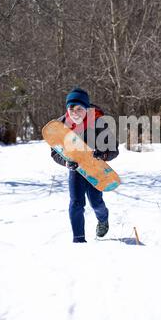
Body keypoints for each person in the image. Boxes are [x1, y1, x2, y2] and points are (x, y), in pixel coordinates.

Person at [51, 88, 119, 243]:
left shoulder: (99, 122)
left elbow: (114, 150)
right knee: (76, 203)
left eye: (79, 109)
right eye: (71, 109)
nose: (75, 113)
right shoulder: (61, 125)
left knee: (96, 202)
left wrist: (103, 155)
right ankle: (79, 240)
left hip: (95, 168)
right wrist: (66, 162)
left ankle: (103, 219)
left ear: (87, 109)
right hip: (76, 169)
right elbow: (55, 153)